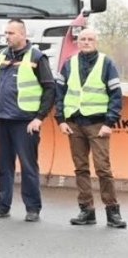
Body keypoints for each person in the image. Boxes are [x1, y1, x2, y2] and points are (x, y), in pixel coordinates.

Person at [55, 28, 126, 228]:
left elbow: (115, 95)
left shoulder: (107, 63)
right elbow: (59, 93)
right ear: (77, 42)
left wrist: (109, 123)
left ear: (96, 42)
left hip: (98, 125)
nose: (86, 42)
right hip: (74, 124)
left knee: (103, 169)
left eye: (90, 39)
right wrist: (61, 120)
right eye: (82, 39)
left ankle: (113, 212)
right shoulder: (69, 64)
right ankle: (86, 211)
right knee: (81, 168)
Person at [0, 18, 54, 222]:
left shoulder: (37, 57)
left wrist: (39, 118)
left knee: (28, 166)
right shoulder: (1, 55)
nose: (7, 37)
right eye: (6, 33)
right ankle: (2, 205)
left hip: (25, 122)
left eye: (11, 33)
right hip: (4, 120)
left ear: (23, 35)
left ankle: (33, 208)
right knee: (4, 165)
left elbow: (50, 89)